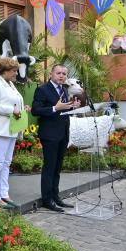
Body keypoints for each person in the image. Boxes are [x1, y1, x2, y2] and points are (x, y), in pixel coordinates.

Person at [31, 64, 80, 212]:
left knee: (57, 168)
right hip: (49, 134)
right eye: (58, 73)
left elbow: (63, 111)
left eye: (64, 74)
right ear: (51, 73)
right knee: (49, 167)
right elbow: (35, 110)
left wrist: (72, 107)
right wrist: (55, 108)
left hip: (63, 133)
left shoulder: (64, 90)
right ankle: (47, 200)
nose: (61, 76)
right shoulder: (42, 89)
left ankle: (56, 196)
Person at [0, 57, 29, 210]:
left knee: (6, 163)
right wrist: (12, 110)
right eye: (14, 71)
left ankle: (4, 193)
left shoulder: (9, 84)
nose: (16, 74)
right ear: (4, 71)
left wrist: (22, 109)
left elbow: (13, 103)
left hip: (10, 129)